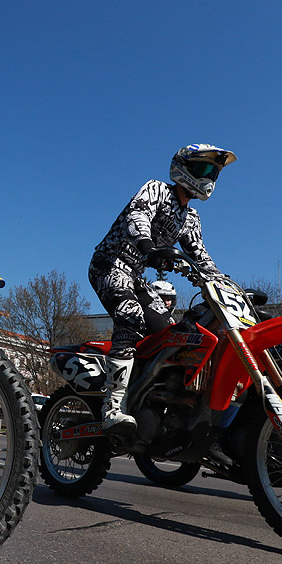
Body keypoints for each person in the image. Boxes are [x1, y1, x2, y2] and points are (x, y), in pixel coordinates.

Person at [88, 144, 236, 435]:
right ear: (183, 167)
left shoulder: (190, 218)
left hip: (137, 277)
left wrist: (225, 283)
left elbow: (201, 257)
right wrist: (148, 247)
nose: (209, 178)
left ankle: (148, 403)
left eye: (214, 173)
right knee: (130, 316)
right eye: (205, 169)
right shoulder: (156, 190)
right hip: (110, 265)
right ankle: (112, 408)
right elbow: (137, 216)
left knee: (173, 335)